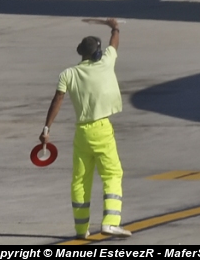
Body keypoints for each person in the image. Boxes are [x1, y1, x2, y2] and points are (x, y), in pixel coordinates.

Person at [40, 18, 131, 239]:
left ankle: (81, 229)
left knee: (80, 179)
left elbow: (57, 100)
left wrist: (46, 129)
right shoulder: (106, 62)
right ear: (97, 53)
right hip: (102, 129)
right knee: (112, 173)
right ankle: (110, 222)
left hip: (82, 132)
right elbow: (114, 43)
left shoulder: (68, 74)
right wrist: (114, 27)